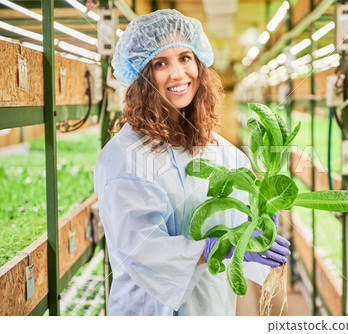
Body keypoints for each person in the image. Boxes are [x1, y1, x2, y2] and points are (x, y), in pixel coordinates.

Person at [94, 9, 290, 316]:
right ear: (141, 76)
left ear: (199, 62)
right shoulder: (123, 158)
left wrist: (258, 220)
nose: (177, 73)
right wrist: (214, 247)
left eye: (185, 57)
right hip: (150, 312)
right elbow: (140, 248)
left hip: (212, 308)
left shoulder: (220, 151)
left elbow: (236, 220)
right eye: (160, 63)